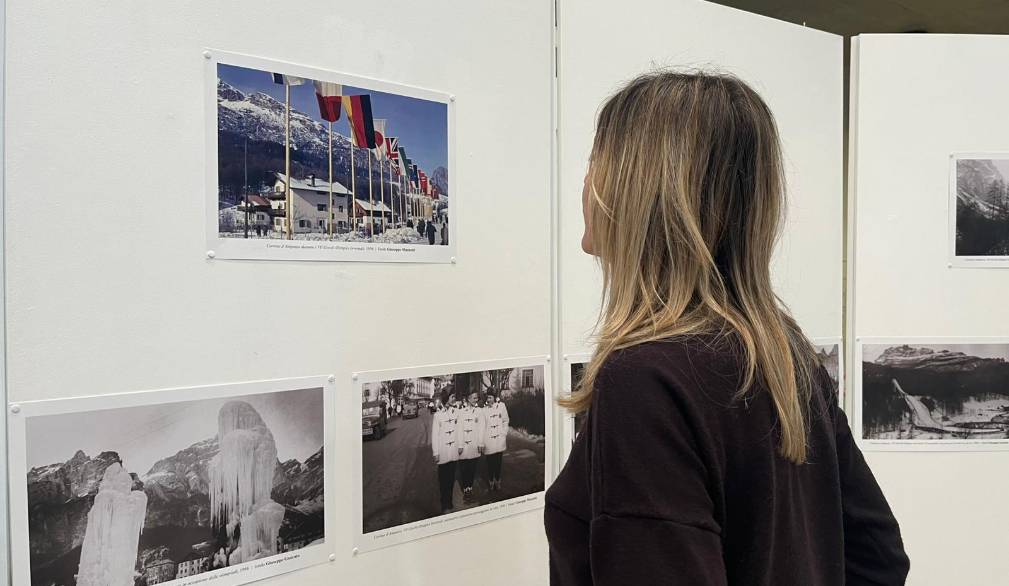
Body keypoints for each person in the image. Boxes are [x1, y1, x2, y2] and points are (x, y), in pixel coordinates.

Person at [544, 72, 909, 585]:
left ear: (641, 190)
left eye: (595, 161)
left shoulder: (646, 380)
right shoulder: (783, 355)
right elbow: (878, 559)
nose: (585, 184)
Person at [431, 392, 462, 514]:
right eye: (452, 397)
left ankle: (449, 501)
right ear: (446, 399)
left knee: (451, 478)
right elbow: (434, 435)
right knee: (443, 479)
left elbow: (459, 430)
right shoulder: (438, 415)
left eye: (454, 396)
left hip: (453, 450)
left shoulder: (456, 413)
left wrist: (460, 445)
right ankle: (444, 503)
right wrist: (436, 452)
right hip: (443, 451)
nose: (454, 399)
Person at [457, 391, 485, 504]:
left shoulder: (479, 411)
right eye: (474, 398)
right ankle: (466, 490)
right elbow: (459, 430)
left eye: (477, 398)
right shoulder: (461, 412)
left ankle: (470, 489)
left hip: (474, 445)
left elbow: (482, 429)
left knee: (472, 469)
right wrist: (459, 445)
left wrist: (481, 444)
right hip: (463, 446)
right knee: (464, 469)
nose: (476, 400)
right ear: (468, 399)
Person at [482, 389, 509, 491]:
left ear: (494, 397)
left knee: (498, 463)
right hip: (489, 441)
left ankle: (498, 481)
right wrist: (483, 441)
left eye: (490, 397)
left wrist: (504, 433)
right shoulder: (484, 410)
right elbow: (482, 427)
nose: (488, 399)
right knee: (490, 464)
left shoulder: (501, 406)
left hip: (499, 440)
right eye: (487, 397)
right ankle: (491, 482)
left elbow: (506, 420)